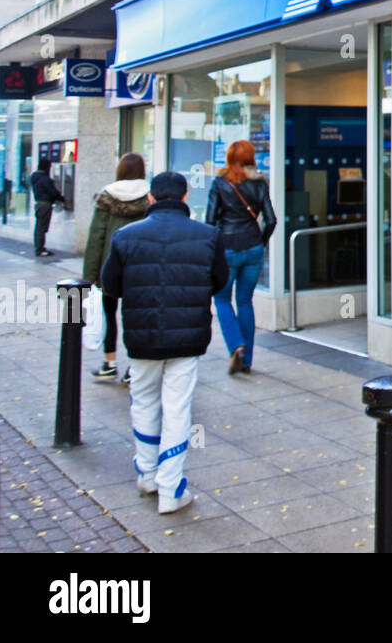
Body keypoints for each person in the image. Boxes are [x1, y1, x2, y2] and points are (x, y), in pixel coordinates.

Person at [100, 171, 228, 514]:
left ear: (152, 199)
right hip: (188, 336)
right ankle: (172, 488)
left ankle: (147, 473)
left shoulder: (125, 236)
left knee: (142, 401)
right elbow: (219, 281)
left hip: (142, 335)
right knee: (177, 407)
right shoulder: (208, 236)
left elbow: (110, 286)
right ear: (185, 197)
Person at [204, 139, 276, 375]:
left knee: (222, 300)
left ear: (229, 158)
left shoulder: (219, 183)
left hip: (227, 248)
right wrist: (261, 241)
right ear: (251, 158)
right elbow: (271, 219)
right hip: (253, 248)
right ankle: (246, 362)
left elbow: (211, 221)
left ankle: (236, 346)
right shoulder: (260, 183)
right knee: (245, 301)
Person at [82, 153, 151, 385]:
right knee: (135, 316)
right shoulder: (150, 195)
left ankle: (109, 363)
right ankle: (133, 367)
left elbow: (97, 235)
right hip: (141, 266)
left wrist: (90, 276)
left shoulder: (106, 195)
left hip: (109, 264)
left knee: (109, 314)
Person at [30, 158, 64, 257]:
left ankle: (39, 247)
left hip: (38, 204)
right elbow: (52, 192)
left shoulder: (34, 176)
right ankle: (40, 249)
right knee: (42, 228)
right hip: (45, 204)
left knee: (38, 227)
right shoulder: (45, 178)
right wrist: (62, 199)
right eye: (49, 167)